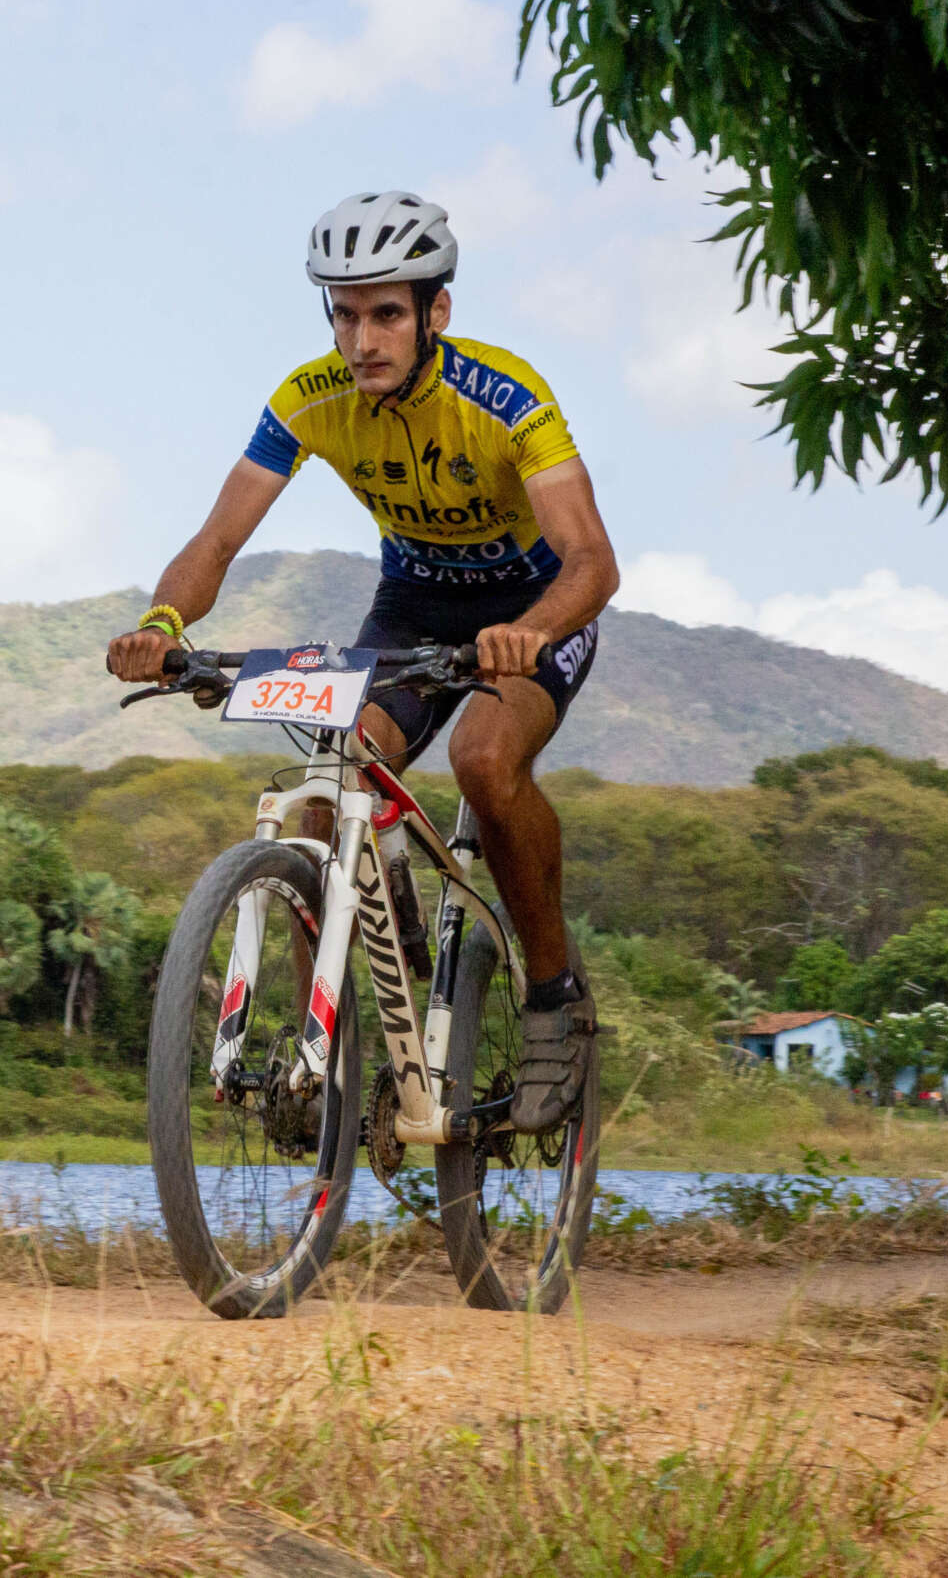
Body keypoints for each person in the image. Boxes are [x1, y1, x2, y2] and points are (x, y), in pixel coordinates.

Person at [105, 190, 619, 1133]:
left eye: (387, 312)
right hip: (415, 604)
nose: (363, 337)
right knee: (324, 784)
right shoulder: (308, 399)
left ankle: (554, 998)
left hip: (533, 607)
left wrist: (532, 631)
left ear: (436, 314)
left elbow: (594, 561)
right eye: (345, 314)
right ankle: (331, 1057)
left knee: (484, 759)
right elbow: (217, 539)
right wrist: (163, 621)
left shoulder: (506, 396)